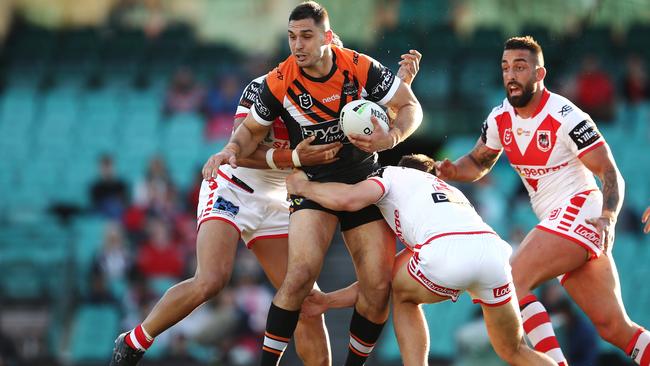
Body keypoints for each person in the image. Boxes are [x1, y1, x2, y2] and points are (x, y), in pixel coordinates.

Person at [110, 25, 422, 366]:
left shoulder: (345, 94)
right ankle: (135, 341)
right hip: (235, 187)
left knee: (306, 301)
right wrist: (296, 158)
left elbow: (375, 121)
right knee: (211, 280)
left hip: (278, 197)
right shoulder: (267, 88)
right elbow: (240, 150)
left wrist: (402, 86)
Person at [201, 2, 423, 365]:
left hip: (361, 180)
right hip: (312, 185)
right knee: (300, 276)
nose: (298, 45)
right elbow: (248, 134)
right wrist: (229, 150)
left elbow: (409, 105)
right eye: (292, 37)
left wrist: (393, 137)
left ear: (327, 37)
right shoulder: (280, 80)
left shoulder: (358, 65)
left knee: (378, 286)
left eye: (306, 36)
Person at [435, 36, 650, 366]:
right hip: (558, 222)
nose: (511, 75)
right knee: (615, 329)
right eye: (506, 68)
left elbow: (610, 173)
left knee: (509, 280)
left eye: (520, 67)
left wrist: (608, 216)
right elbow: (478, 163)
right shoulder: (499, 118)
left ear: (540, 74)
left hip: (582, 212)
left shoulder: (566, 115)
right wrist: (452, 170)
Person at [286, 154, 555, 366]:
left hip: (445, 251)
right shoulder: (450, 193)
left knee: (405, 297)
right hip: (493, 252)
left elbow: (348, 199)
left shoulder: (392, 174)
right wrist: (330, 301)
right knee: (514, 348)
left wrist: (305, 187)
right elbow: (388, 277)